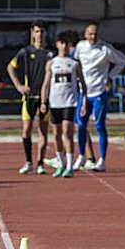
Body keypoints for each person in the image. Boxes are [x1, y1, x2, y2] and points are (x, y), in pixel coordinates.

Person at [73, 22, 125, 172]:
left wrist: (110, 77)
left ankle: (102, 160)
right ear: (85, 35)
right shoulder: (80, 47)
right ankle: (81, 156)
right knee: (80, 125)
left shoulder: (105, 49)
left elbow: (123, 61)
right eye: (90, 34)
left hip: (99, 93)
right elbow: (75, 62)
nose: (93, 36)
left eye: (95, 34)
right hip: (83, 94)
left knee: (99, 125)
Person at [7, 20, 54, 175]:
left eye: (42, 31)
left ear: (46, 33)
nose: (39, 34)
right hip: (28, 98)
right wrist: (19, 86)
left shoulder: (50, 53)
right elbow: (10, 67)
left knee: (43, 131)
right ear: (32, 33)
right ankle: (28, 162)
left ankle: (40, 163)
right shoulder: (25, 52)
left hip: (44, 98)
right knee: (26, 130)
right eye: (37, 31)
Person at [40, 32, 87, 179]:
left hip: (69, 102)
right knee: (56, 134)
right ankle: (61, 163)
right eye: (62, 43)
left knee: (67, 132)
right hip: (55, 103)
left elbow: (83, 84)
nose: (65, 46)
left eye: (68, 44)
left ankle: (70, 166)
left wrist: (83, 101)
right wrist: (43, 102)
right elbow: (46, 84)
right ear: (57, 44)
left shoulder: (74, 64)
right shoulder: (52, 63)